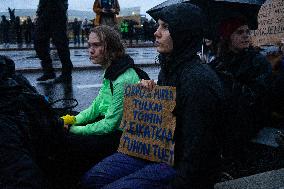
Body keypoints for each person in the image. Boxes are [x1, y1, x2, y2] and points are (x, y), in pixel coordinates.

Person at [81, 3, 224, 189]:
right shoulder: (170, 68)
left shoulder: (198, 81)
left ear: (183, 33)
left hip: (177, 163)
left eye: (165, 27)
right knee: (92, 179)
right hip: (157, 150)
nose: (156, 32)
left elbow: (199, 153)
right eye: (158, 26)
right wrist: (151, 92)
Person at [58, 26, 149, 180]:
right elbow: (95, 108)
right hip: (110, 128)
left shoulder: (122, 78)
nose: (90, 50)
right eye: (89, 45)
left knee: (69, 145)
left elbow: (110, 125)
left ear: (111, 48)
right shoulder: (112, 71)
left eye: (97, 45)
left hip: (121, 138)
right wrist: (70, 120)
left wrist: (74, 130)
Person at [210, 16, 273, 177]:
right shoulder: (218, 61)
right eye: (239, 32)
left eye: (247, 31)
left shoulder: (258, 62)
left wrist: (228, 79)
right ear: (228, 37)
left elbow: (256, 98)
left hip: (249, 121)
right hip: (223, 119)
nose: (246, 35)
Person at [34, 0, 73, 83]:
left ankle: (66, 73)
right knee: (38, 42)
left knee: (61, 44)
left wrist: (63, 7)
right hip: (44, 11)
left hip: (58, 11)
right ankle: (48, 72)